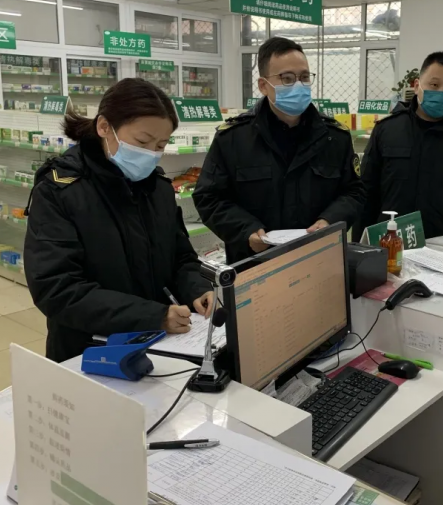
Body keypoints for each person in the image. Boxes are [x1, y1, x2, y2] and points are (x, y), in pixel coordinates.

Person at [24, 78, 214, 363]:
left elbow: (181, 257)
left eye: (161, 145)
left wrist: (197, 289)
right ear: (104, 127)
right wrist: (152, 316)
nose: (151, 154)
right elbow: (56, 289)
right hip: (89, 352)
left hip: (164, 344)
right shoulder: (60, 191)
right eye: (142, 142)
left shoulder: (158, 188)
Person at [193, 37, 365, 263]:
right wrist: (247, 231)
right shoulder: (233, 138)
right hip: (255, 262)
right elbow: (209, 197)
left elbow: (354, 192)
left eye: (304, 77)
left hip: (318, 258)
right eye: (287, 78)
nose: (299, 85)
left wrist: (329, 221)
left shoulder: (335, 137)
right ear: (263, 85)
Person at [353, 51, 443, 241]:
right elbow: (366, 193)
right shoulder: (388, 130)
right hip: (391, 242)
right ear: (417, 86)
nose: (441, 92)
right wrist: (359, 249)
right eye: (434, 85)